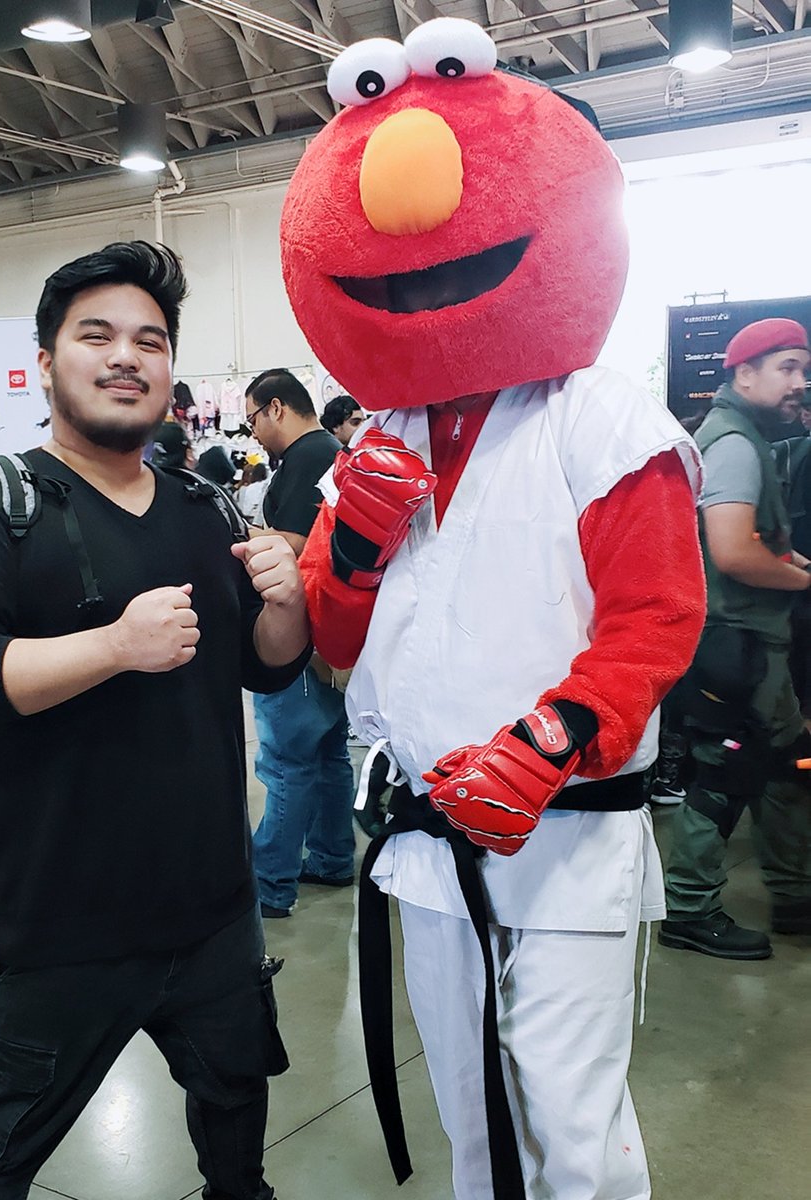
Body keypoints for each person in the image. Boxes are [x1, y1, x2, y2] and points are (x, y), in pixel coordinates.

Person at [284, 18, 706, 1199]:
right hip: (425, 834)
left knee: (571, 1125)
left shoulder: (599, 417)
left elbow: (655, 618)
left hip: (566, 829)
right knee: (471, 1115)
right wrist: (352, 548)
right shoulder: (379, 439)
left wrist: (554, 737)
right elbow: (333, 637)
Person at [0, 240, 311, 1200]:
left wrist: (289, 603)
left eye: (151, 340)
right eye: (96, 335)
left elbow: (266, 668)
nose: (127, 356)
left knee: (237, 1150)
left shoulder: (206, 508)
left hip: (214, 914)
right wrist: (114, 647)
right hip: (58, 923)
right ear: (46, 362)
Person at [661, 317, 811, 959]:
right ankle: (688, 908)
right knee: (729, 770)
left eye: (803, 370)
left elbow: (757, 541)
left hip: (751, 645)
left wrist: (794, 563)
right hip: (737, 647)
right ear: (744, 374)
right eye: (787, 368)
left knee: (785, 764)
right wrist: (806, 581)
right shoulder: (734, 444)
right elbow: (732, 553)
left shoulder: (742, 436)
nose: (799, 383)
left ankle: (795, 893)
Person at [244, 369, 356, 918]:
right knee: (328, 754)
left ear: (276, 408)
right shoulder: (328, 454)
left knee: (287, 762)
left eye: (253, 419)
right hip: (328, 637)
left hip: (300, 638)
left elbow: (292, 545)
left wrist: (239, 536)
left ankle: (270, 883)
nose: (253, 433)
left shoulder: (308, 457)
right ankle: (332, 857)